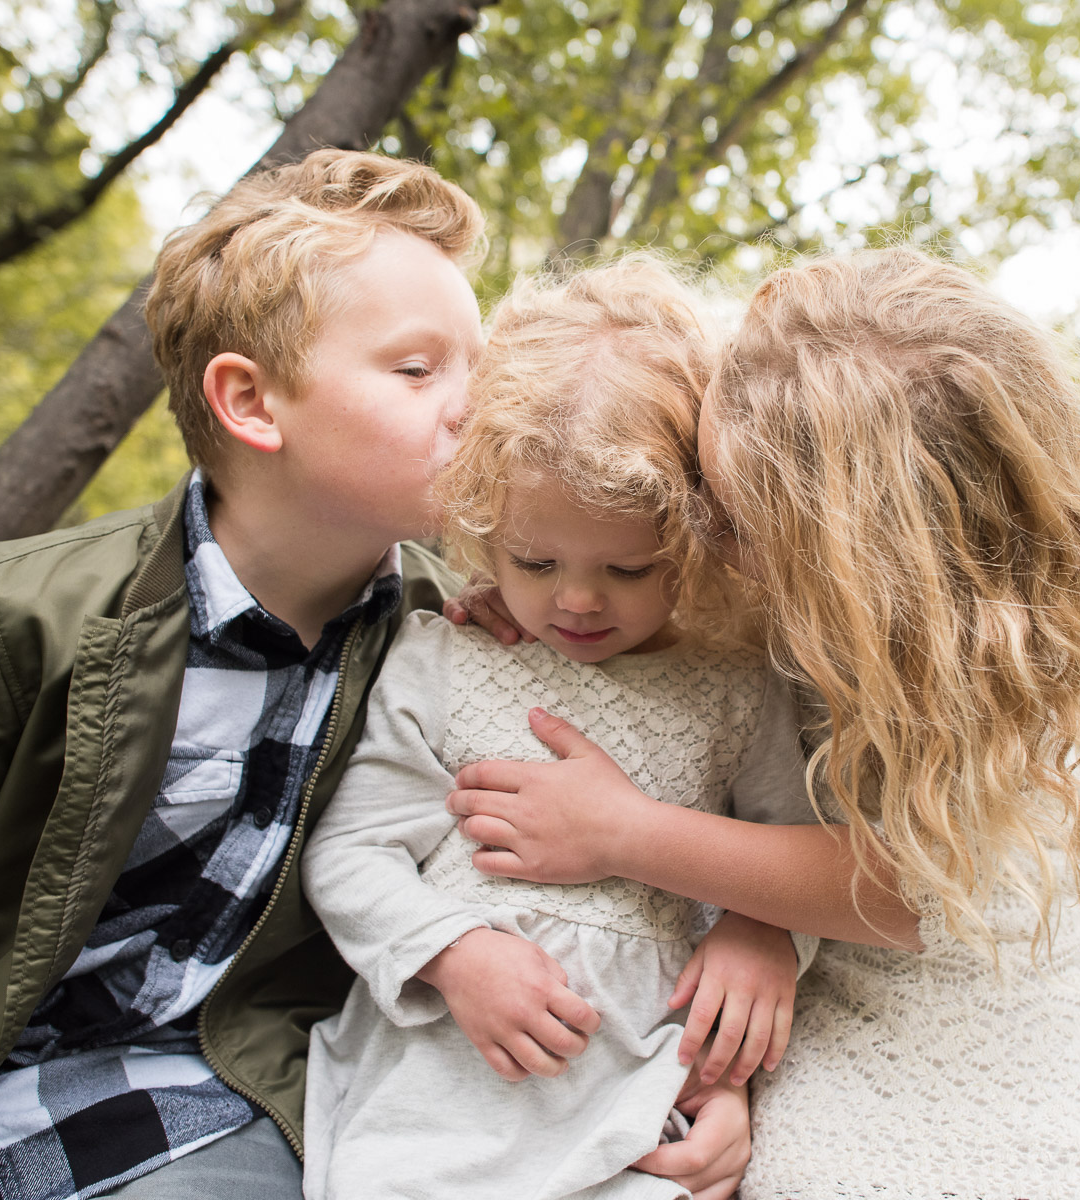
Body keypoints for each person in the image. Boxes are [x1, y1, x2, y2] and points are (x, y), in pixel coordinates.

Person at [0, 151, 750, 1200]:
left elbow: (641, 845)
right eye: (419, 371)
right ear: (251, 402)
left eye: (483, 366)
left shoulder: (477, 633)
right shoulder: (30, 617)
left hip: (229, 1103)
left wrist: (725, 1029)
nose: (481, 409)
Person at [445, 246, 1080, 1197]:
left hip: (992, 1021)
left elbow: (911, 889)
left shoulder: (973, 665)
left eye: (729, 518)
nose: (704, 535)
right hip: (810, 974)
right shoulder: (760, 462)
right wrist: (515, 599)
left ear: (856, 558)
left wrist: (630, 836)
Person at [300, 258, 817, 1200]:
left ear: (702, 536)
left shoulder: (739, 686)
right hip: (443, 1092)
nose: (576, 600)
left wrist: (759, 927)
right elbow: (351, 855)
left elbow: (793, 848)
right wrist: (455, 953)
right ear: (483, 526)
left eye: (628, 568)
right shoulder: (449, 659)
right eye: (535, 559)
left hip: (637, 1095)